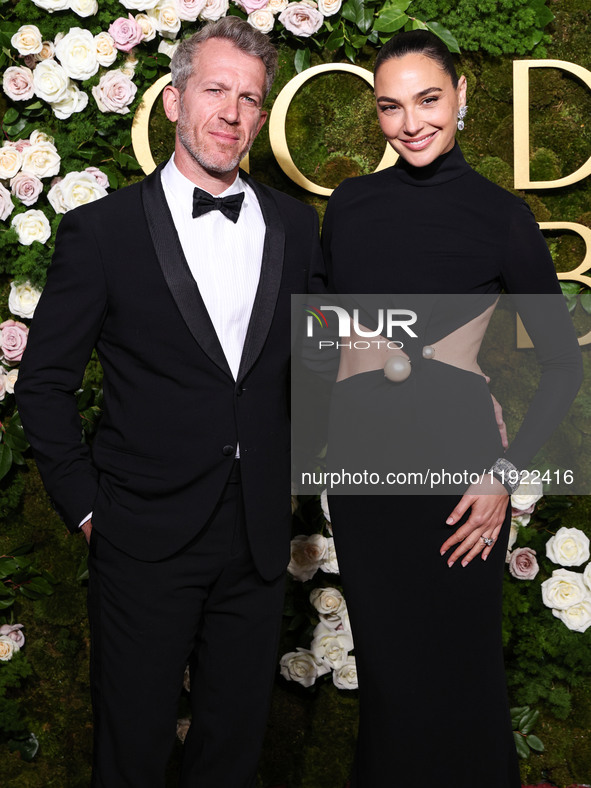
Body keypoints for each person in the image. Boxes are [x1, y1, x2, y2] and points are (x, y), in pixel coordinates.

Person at [16, 17, 322, 788]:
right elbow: (44, 385)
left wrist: (463, 388)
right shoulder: (102, 231)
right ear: (176, 99)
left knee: (232, 748)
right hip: (140, 535)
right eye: (215, 90)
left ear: (261, 114)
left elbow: (337, 360)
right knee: (133, 746)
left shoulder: (295, 225)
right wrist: (89, 511)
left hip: (255, 536)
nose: (232, 112)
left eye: (249, 98)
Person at [317, 30, 583, 788]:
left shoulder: (500, 216)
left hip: (457, 471)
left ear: (460, 95)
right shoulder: (351, 206)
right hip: (364, 468)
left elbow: (563, 363)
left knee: (460, 679)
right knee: (391, 688)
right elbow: (322, 332)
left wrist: (504, 470)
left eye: (427, 100)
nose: (410, 123)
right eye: (390, 107)